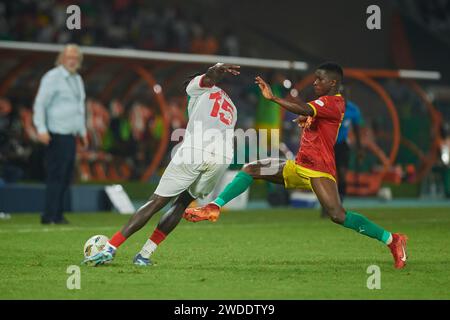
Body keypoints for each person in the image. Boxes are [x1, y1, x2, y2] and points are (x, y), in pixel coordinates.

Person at [184, 62, 409, 269]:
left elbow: (304, 109)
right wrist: (308, 122)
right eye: (315, 78)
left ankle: (392, 239)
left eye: (320, 79)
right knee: (251, 168)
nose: (315, 82)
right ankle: (213, 207)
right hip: (298, 165)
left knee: (338, 215)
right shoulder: (324, 104)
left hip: (318, 170)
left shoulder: (334, 102)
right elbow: (311, 116)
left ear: (332, 83)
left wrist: (273, 98)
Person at [83, 63, 240, 266]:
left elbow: (208, 79)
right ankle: (144, 255)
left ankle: (110, 248)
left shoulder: (198, 86)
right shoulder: (233, 107)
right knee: (183, 203)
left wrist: (215, 69)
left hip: (196, 148)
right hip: (223, 156)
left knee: (157, 201)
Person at [33, 44, 88, 224]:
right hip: (55, 133)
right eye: (69, 57)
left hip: (71, 135)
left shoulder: (77, 79)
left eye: (75, 57)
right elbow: (40, 103)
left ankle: (57, 214)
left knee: (65, 176)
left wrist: (83, 132)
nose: (72, 60)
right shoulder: (52, 77)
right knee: (56, 176)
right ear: (62, 59)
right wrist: (41, 128)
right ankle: (49, 215)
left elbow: (80, 108)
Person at [320, 90, 363, 217]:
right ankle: (326, 206)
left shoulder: (353, 110)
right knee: (326, 177)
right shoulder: (329, 108)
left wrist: (360, 148)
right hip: (328, 145)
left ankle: (339, 204)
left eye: (345, 96)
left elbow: (356, 129)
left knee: (343, 175)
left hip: (342, 145)